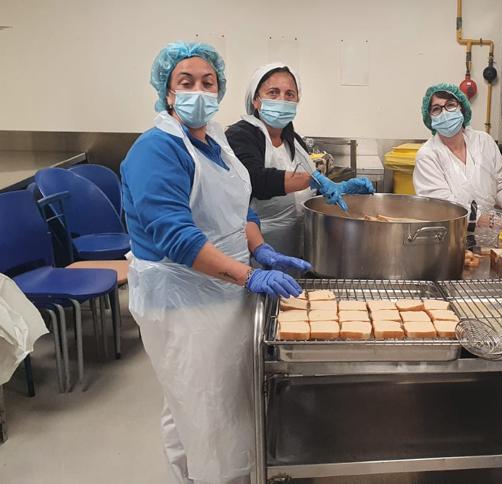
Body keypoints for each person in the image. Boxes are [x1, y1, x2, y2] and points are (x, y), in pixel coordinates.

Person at [121, 42, 311, 484]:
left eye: (208, 82)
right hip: (183, 299)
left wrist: (260, 248)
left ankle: (196, 474)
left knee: (201, 401)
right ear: (167, 93)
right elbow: (177, 239)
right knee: (204, 406)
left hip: (221, 292)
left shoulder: (217, 140)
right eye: (186, 83)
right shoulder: (157, 149)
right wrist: (249, 274)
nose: (199, 91)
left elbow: (239, 202)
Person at [226, 62, 374, 256]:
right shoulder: (241, 135)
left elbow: (307, 189)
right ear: (256, 100)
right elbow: (255, 180)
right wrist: (312, 179)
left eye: (290, 94)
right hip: (258, 251)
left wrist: (340, 188)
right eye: (273, 92)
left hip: (299, 245)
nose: (282, 100)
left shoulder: (293, 140)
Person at [412, 83, 502, 228]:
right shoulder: (428, 155)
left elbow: (500, 188)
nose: (445, 113)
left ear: (461, 108)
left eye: (450, 105)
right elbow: (444, 208)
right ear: (430, 118)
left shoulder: (484, 142)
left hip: (490, 239)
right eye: (436, 109)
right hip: (449, 238)